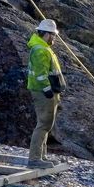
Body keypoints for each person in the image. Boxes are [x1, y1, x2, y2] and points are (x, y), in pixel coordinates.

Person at [26, 19, 66, 169]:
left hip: (47, 91)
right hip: (43, 92)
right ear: (47, 34)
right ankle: (35, 159)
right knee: (43, 124)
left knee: (46, 125)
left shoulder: (42, 47)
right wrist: (47, 90)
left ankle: (41, 156)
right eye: (53, 35)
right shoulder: (40, 50)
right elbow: (40, 74)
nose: (54, 38)